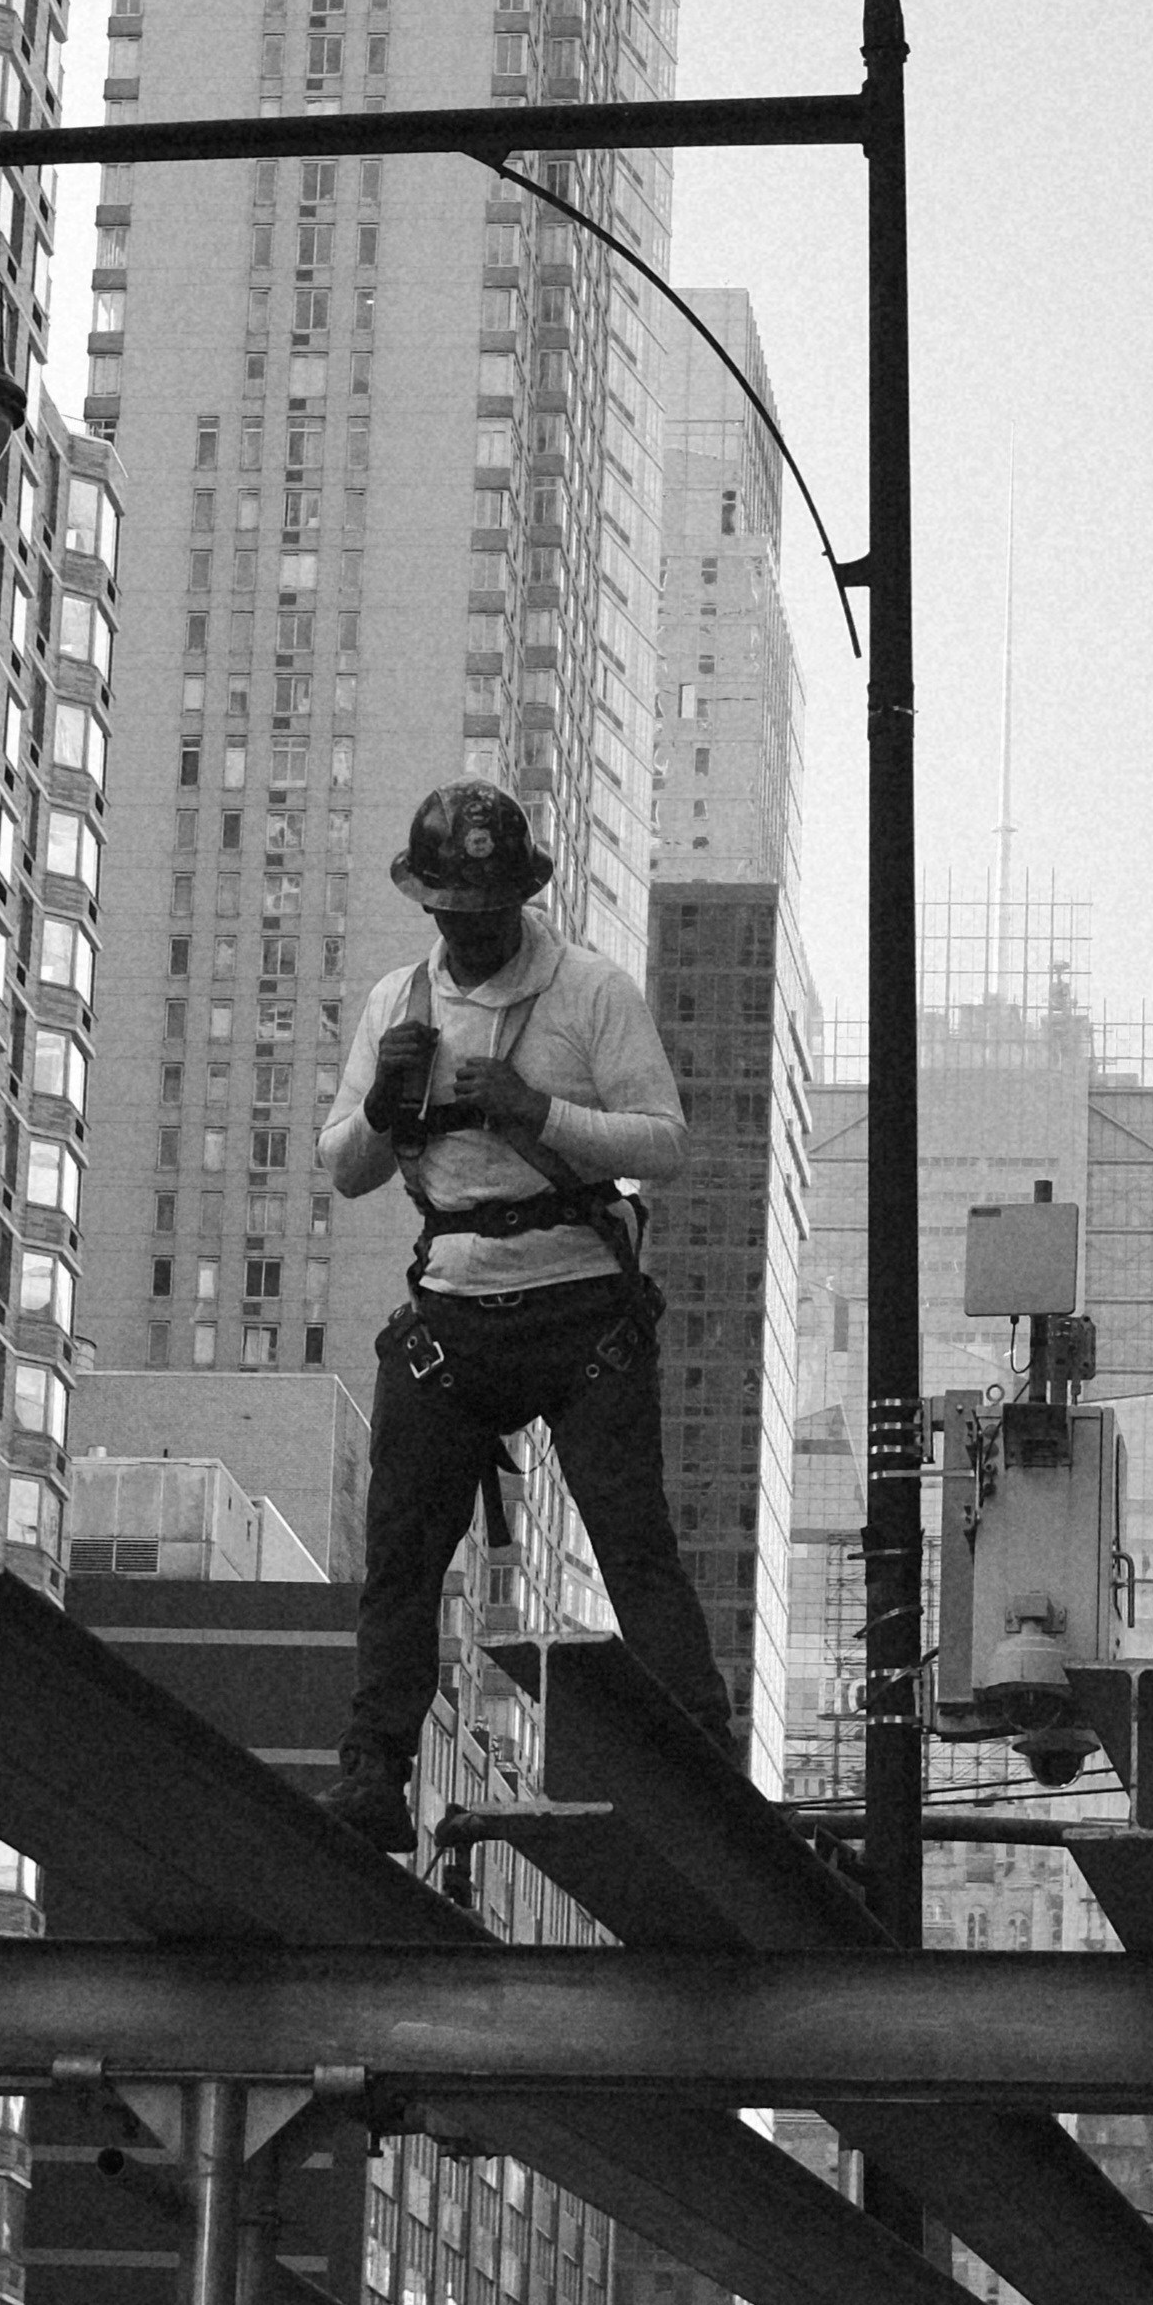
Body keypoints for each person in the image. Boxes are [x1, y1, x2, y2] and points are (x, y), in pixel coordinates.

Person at [314, 780, 732, 1846]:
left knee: (633, 1540)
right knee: (401, 1551)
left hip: (581, 1311)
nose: (468, 930)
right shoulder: (396, 1004)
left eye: (485, 911)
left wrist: (536, 1110)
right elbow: (346, 1170)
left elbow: (663, 1142)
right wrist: (379, 1105)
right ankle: (373, 1773)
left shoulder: (589, 993)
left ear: (519, 902)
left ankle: (708, 1762)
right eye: (451, 912)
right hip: (452, 1314)